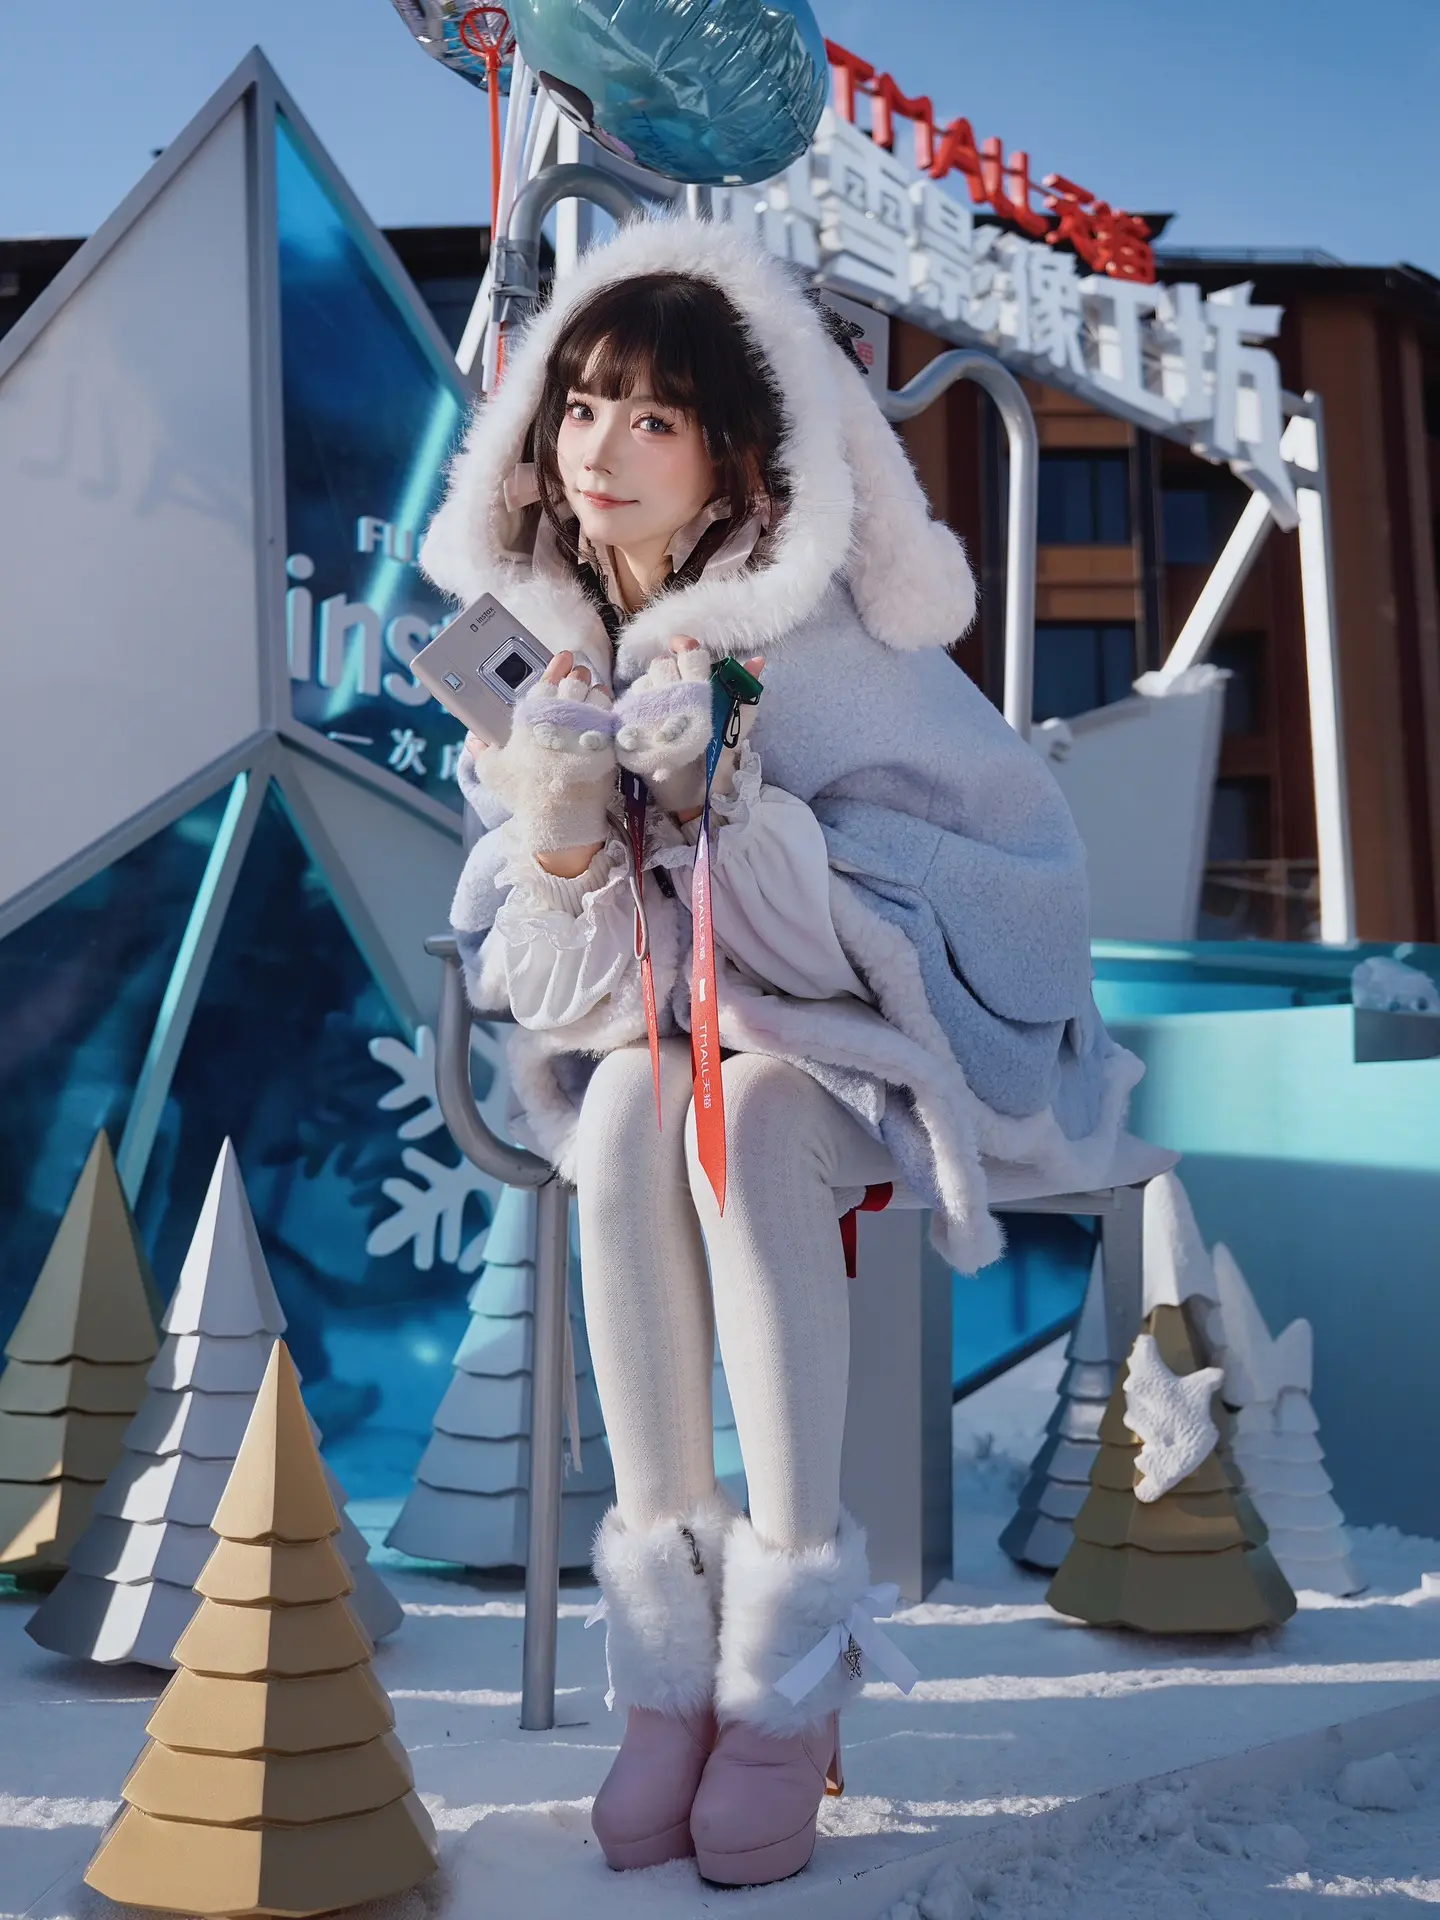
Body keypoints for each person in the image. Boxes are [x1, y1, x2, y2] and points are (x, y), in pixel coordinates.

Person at [420, 217, 1141, 1887]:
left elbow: (957, 898)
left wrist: (723, 802)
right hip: (669, 1045)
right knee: (623, 1112)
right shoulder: (541, 645)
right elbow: (556, 994)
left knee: (735, 1114)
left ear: (731, 453)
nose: (600, 450)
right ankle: (670, 1677)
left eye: (653, 419)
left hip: (875, 1039)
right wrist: (565, 829)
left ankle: (793, 1659)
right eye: (580, 406)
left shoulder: (805, 636)